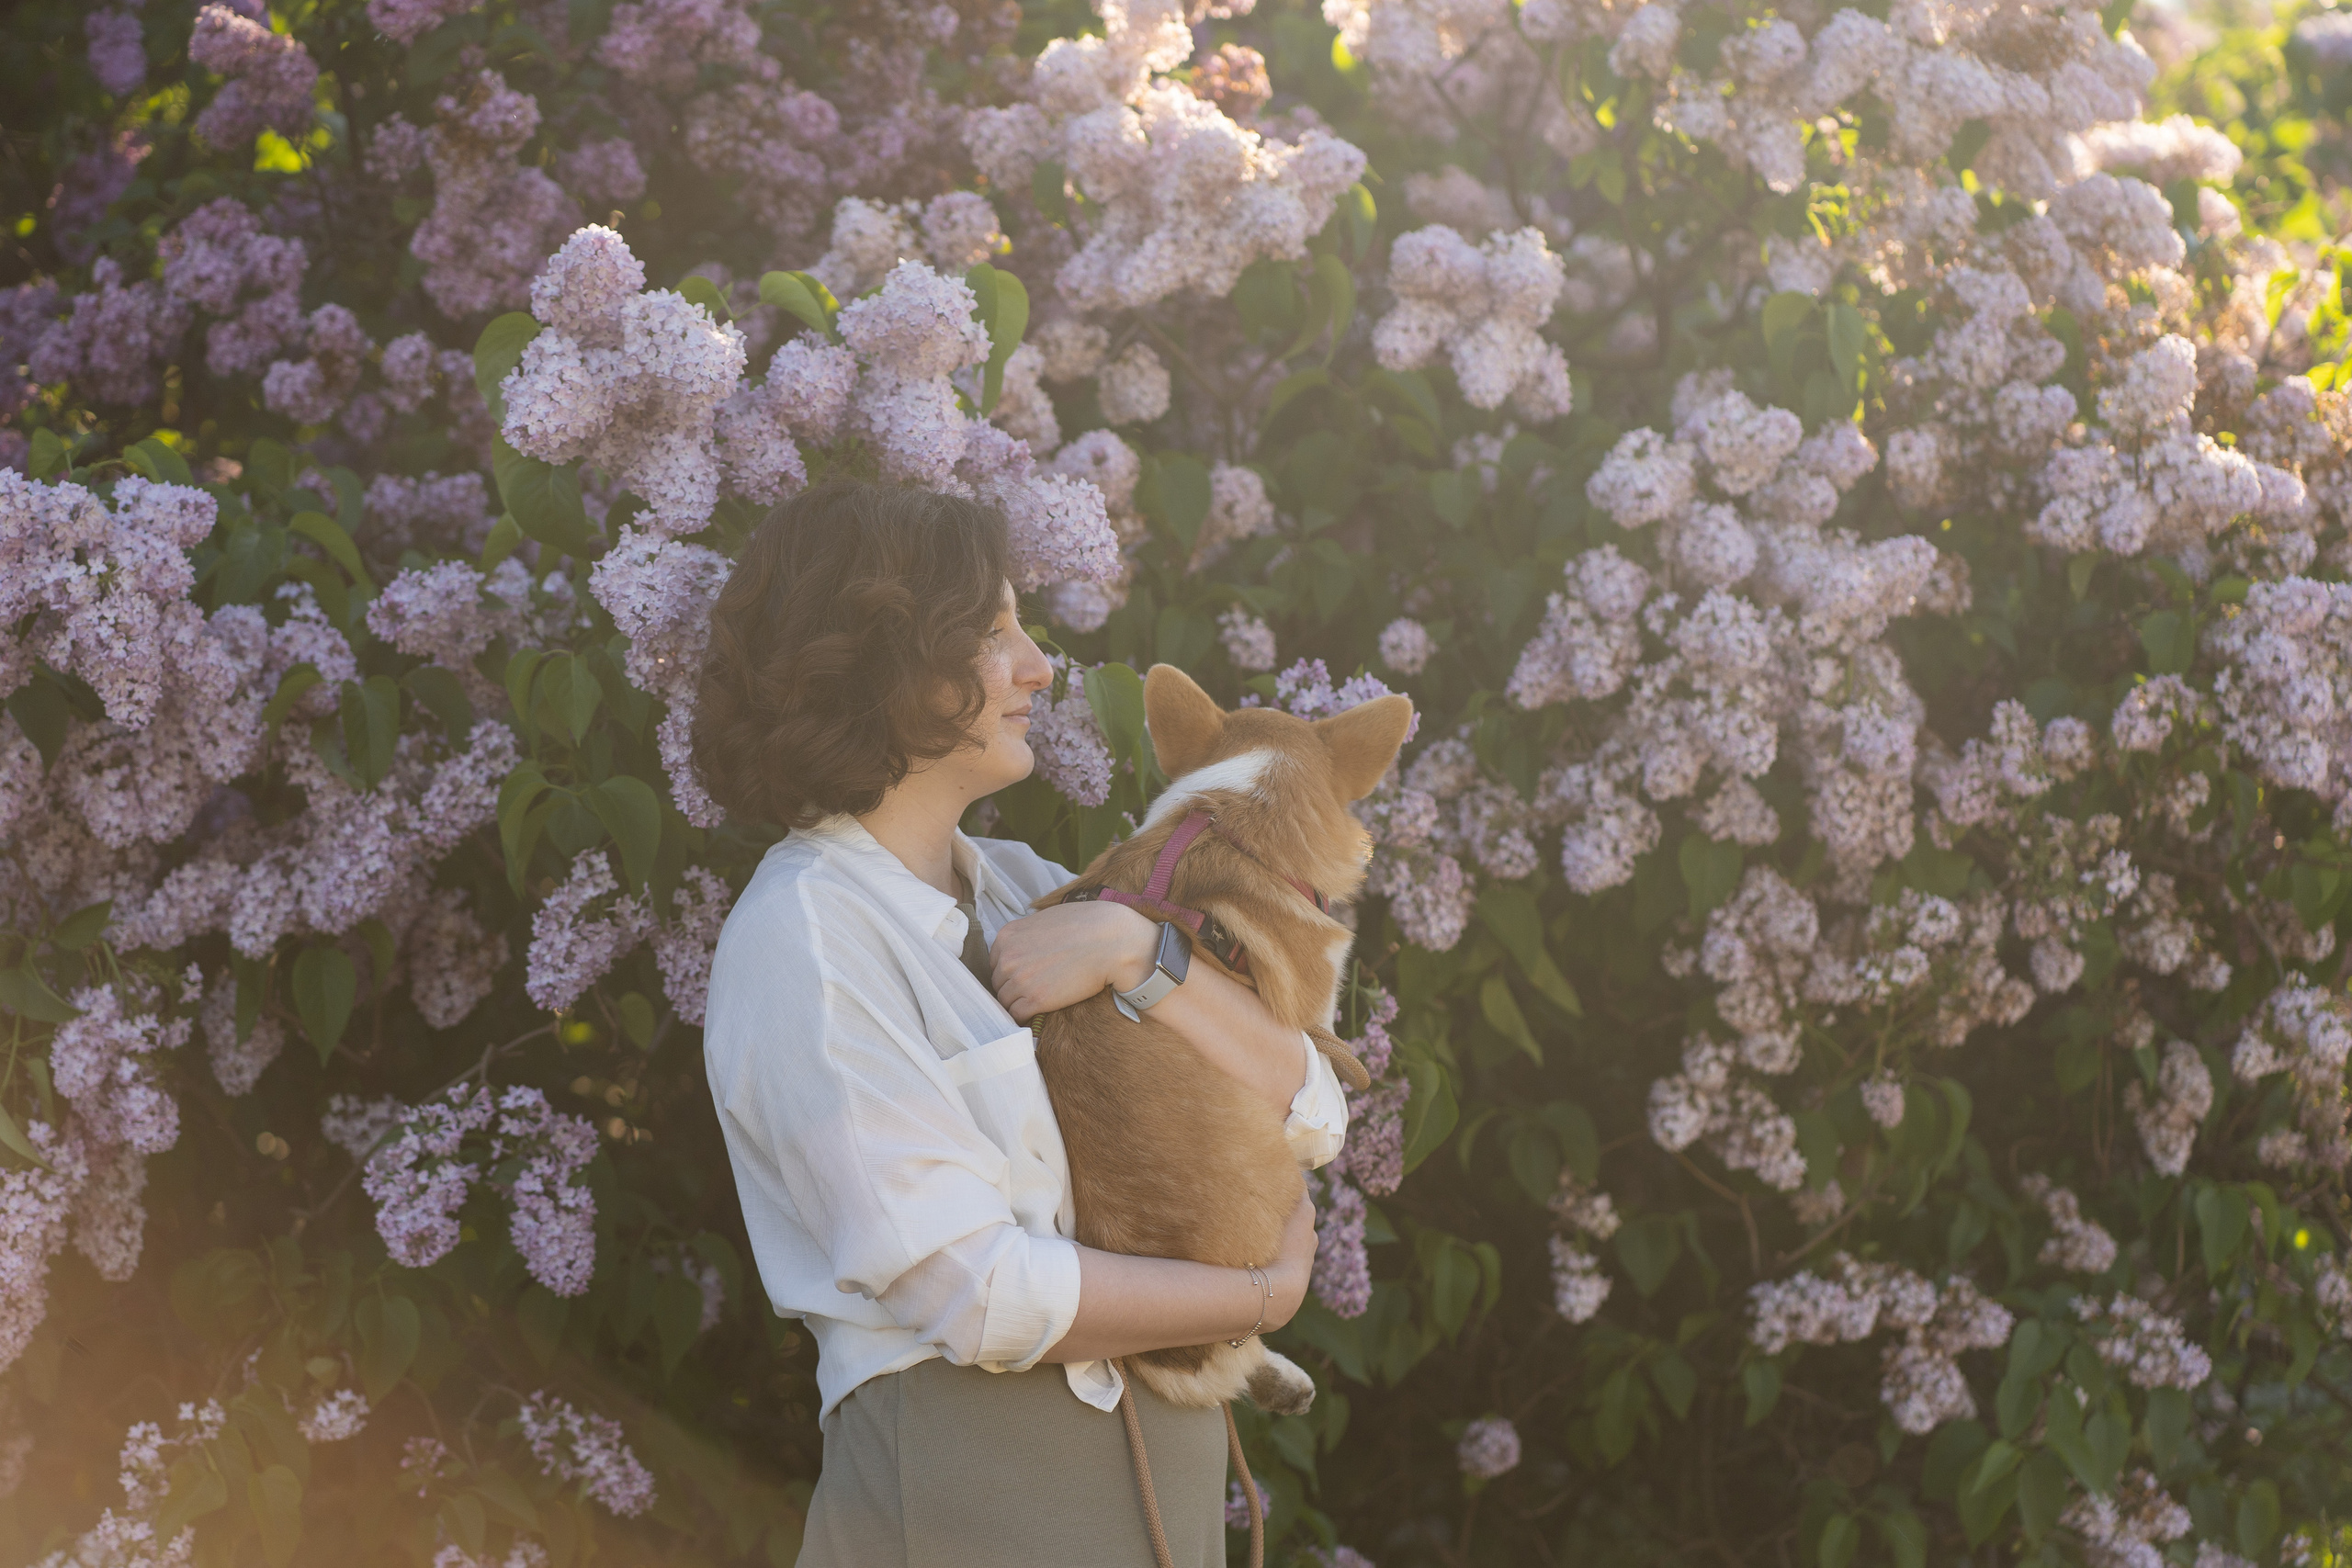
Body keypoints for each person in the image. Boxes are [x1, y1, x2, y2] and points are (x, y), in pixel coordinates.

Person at [691, 482, 1345, 1568]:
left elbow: (1309, 1106)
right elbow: (978, 1294)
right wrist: (1259, 1296)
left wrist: (1147, 957)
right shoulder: (802, 942)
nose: (1039, 667)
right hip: (970, 1503)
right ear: (886, 662)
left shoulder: (1031, 890)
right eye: (993, 635)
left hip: (1156, 1504)